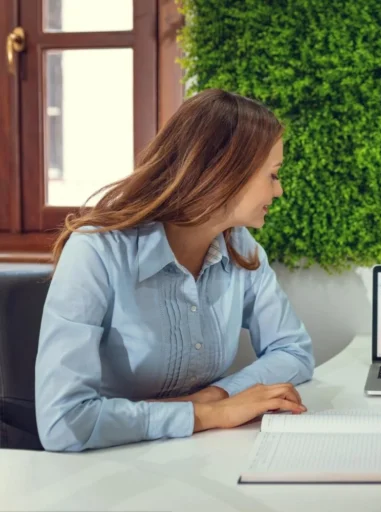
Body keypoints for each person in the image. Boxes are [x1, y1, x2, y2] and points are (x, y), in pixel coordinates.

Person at [35, 89, 314, 452]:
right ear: (224, 173)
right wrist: (208, 415)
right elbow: (63, 423)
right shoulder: (96, 252)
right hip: (108, 471)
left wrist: (217, 395)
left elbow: (294, 351)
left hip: (197, 456)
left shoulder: (240, 247)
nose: (279, 191)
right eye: (272, 175)